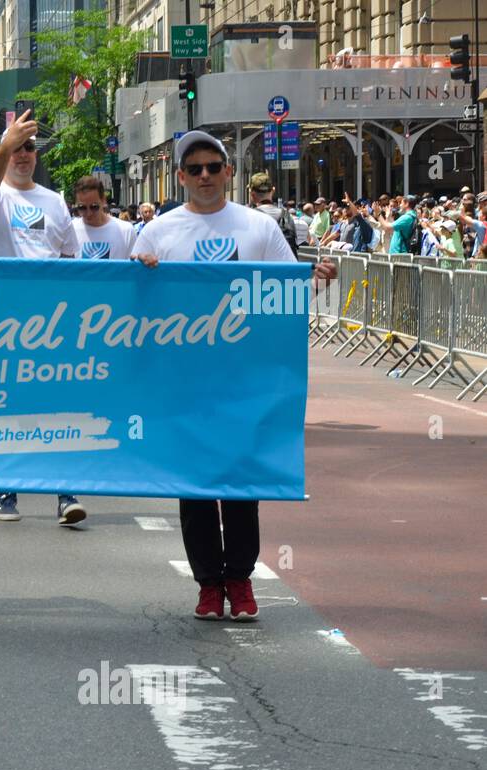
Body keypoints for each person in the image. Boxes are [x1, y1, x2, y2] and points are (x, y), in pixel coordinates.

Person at [132, 130, 336, 623]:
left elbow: (283, 293)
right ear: (180, 177)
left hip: (245, 380)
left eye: (212, 167)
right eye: (194, 168)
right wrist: (140, 272)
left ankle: (240, 580)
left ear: (229, 172)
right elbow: (131, 305)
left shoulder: (257, 228)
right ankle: (208, 584)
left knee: (241, 483)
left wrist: (312, 276)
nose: (204, 175)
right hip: (183, 383)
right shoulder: (158, 232)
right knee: (197, 486)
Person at [0, 110, 85, 526]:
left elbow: (71, 263)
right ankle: (7, 491)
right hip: (1, 323)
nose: (22, 155)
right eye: (15, 148)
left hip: (50, 326)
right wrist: (4, 143)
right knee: (10, 405)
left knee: (57, 406)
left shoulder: (55, 202)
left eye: (28, 148)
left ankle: (65, 493)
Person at [70, 176, 136, 258]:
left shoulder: (126, 230)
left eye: (94, 207)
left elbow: (134, 266)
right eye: (82, 207)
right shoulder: (70, 230)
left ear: (103, 200)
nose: (89, 213)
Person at [247, 172, 298, 255]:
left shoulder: (249, 217)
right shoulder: (287, 216)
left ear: (252, 194)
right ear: (273, 191)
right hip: (284, 266)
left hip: (259, 267)